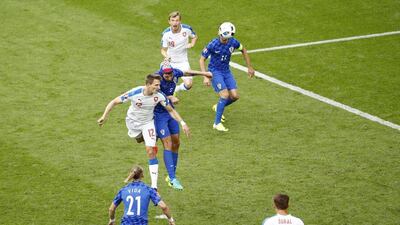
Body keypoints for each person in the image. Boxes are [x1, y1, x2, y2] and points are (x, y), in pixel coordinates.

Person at [98, 74, 190, 190]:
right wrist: (104, 116)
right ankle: (149, 137)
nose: (158, 87)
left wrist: (183, 123)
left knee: (150, 151)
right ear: (148, 84)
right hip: (133, 124)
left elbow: (171, 110)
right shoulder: (135, 93)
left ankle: (154, 186)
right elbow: (114, 102)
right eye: (156, 85)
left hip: (148, 123)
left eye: (159, 85)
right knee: (139, 139)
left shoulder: (159, 96)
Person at [155, 62, 212, 190]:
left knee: (176, 142)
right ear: (161, 73)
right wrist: (170, 97)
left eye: (170, 73)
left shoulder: (175, 72)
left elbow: (187, 72)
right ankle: (172, 178)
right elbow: (156, 95)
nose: (169, 75)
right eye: (166, 74)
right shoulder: (156, 79)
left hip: (170, 111)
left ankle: (171, 176)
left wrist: (204, 73)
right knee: (168, 143)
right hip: (158, 114)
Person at [199, 22, 255, 132]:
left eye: (227, 38)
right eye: (224, 38)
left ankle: (217, 106)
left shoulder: (233, 42)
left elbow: (243, 50)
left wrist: (249, 67)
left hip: (226, 71)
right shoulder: (212, 44)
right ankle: (217, 123)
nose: (225, 40)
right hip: (215, 71)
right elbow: (201, 59)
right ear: (220, 34)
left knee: (234, 96)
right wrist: (205, 76)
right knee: (224, 95)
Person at [108, 165, 176, 225]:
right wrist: (171, 220)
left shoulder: (123, 190)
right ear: (142, 175)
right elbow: (164, 207)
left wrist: (112, 220)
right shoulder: (148, 189)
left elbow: (111, 209)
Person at [161, 11, 197, 94]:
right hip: (170, 62)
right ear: (169, 22)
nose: (175, 23)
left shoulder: (187, 29)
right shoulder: (166, 34)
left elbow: (194, 37)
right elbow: (163, 50)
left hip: (183, 62)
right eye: (172, 20)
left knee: (188, 85)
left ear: (180, 21)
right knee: (165, 84)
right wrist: (166, 56)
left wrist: (192, 43)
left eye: (177, 20)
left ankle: (177, 89)